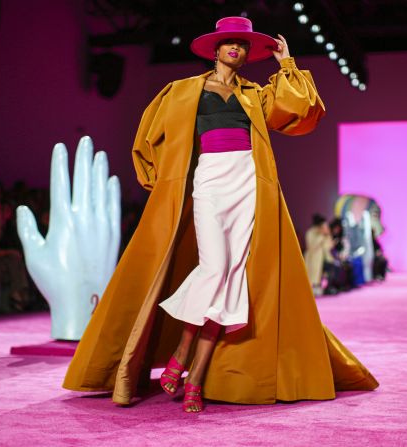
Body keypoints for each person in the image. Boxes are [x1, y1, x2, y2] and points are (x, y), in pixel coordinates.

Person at [63, 16, 378, 413]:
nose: (236, 49)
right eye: (229, 42)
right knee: (214, 269)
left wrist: (286, 64)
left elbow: (301, 111)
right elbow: (147, 139)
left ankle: (195, 375)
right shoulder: (181, 92)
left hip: (248, 182)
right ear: (215, 50)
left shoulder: (255, 95)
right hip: (209, 181)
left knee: (232, 279)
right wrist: (163, 182)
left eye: (243, 45)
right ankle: (180, 352)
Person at [304, 214, 335, 296]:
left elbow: (328, 246)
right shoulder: (310, 233)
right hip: (313, 258)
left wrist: (328, 235)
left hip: (323, 258)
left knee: (327, 270)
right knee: (313, 275)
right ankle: (314, 288)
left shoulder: (324, 234)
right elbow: (311, 246)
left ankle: (325, 288)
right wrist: (321, 236)